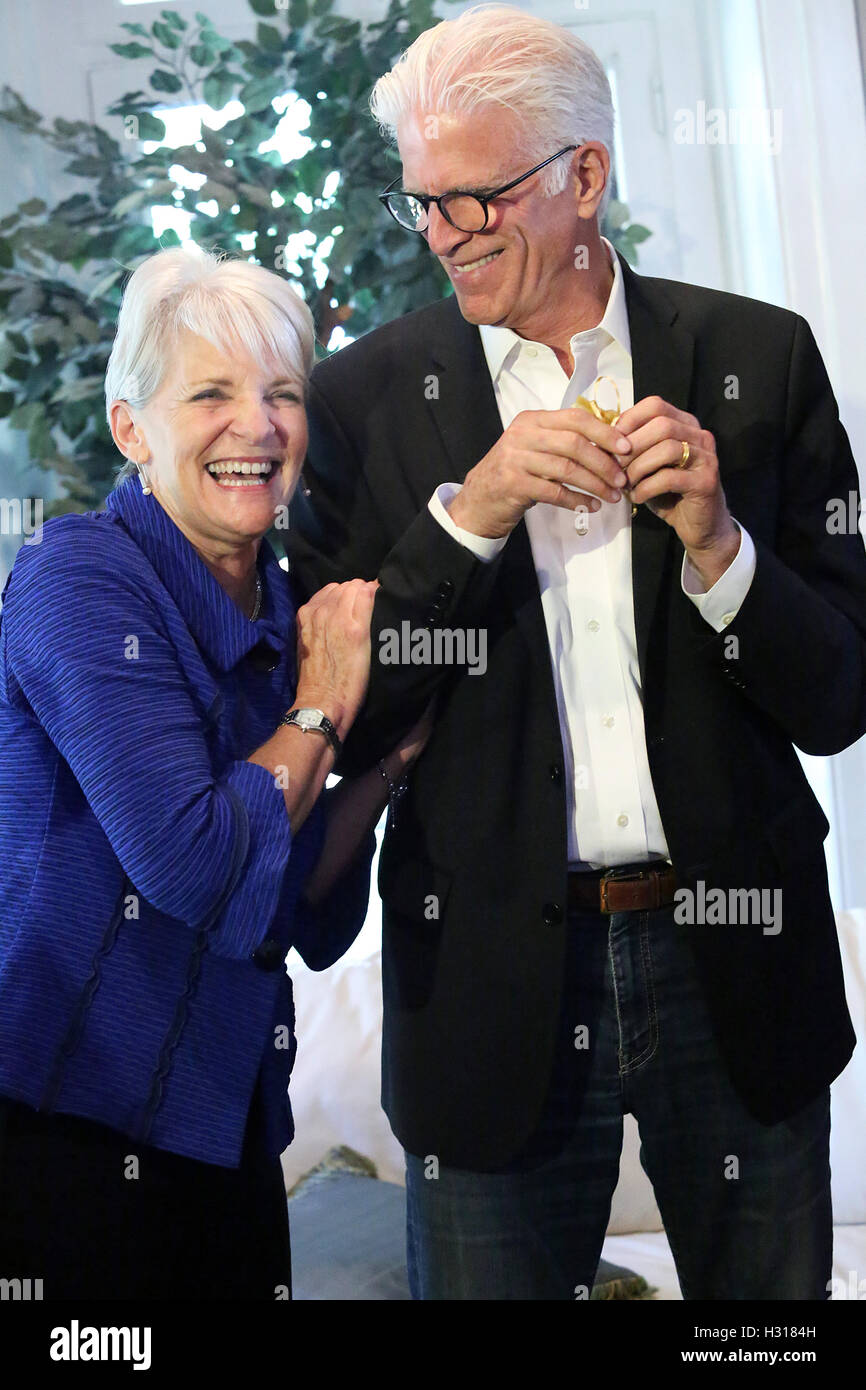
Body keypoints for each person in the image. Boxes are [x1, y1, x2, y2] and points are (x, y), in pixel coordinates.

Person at [287, 5, 866, 1299]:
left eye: (474, 201)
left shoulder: (757, 359)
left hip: (736, 963)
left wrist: (721, 548)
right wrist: (470, 511)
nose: (442, 236)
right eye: (421, 203)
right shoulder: (363, 402)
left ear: (584, 177)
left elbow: (837, 696)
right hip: (486, 988)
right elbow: (348, 717)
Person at [0, 245, 430, 1300]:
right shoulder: (79, 577)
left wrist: (382, 769)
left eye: (282, 393)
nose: (259, 425)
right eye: (211, 393)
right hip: (61, 1129)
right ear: (131, 428)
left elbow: (293, 911)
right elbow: (193, 862)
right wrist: (325, 702)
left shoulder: (287, 611)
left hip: (226, 1125)